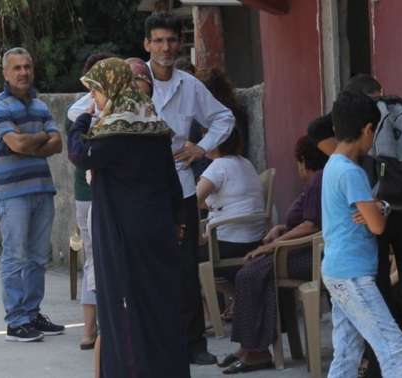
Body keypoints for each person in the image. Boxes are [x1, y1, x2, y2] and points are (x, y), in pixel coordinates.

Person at [67, 57, 189, 378]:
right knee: (161, 306)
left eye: (96, 92)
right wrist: (178, 222)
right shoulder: (155, 127)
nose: (95, 99)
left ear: (113, 89)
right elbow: (171, 181)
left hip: (122, 236)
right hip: (157, 231)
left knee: (125, 310)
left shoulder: (115, 132)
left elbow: (80, 154)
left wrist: (80, 124)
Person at [144, 11, 235, 365]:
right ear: (147, 45)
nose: (166, 47)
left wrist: (201, 147)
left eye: (171, 40)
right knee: (150, 265)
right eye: (159, 41)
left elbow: (224, 118)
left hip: (180, 187)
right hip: (143, 189)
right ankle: (153, 341)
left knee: (185, 266)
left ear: (179, 44)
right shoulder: (133, 78)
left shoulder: (189, 84)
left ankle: (194, 343)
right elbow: (82, 111)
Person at [342, 74, 402, 378]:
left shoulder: (365, 119)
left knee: (379, 295)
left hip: (381, 211)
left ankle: (382, 370)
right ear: (379, 90)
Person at [218, 133, 326, 374]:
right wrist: (281, 229)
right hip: (296, 250)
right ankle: (250, 348)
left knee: (251, 273)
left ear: (303, 161)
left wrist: (270, 247)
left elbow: (312, 225)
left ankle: (256, 351)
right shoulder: (315, 183)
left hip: (308, 254)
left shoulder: (319, 181)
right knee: (251, 272)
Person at [322, 91, 402, 378]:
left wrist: (377, 206)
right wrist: (382, 209)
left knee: (347, 352)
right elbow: (377, 225)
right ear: (369, 129)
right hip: (353, 274)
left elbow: (370, 212)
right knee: (394, 348)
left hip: (337, 271)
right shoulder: (352, 173)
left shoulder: (332, 165)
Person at [0, 47, 65, 342]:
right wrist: (41, 137)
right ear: (5, 73)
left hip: (42, 190)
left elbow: (58, 145)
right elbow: (17, 144)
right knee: (15, 257)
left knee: (36, 258)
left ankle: (32, 314)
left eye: (27, 67)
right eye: (16, 68)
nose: (23, 73)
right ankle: (15, 321)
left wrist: (34, 140)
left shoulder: (40, 105)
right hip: (13, 195)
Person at [66, 52, 117, 352]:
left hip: (104, 191)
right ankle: (90, 329)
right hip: (90, 193)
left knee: (98, 260)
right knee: (95, 260)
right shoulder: (80, 110)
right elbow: (80, 151)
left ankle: (98, 329)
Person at [196, 127, 266, 281]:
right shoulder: (245, 163)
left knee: (179, 255)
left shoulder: (218, 166)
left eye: (206, 138)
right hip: (254, 241)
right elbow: (219, 203)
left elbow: (191, 201)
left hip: (229, 246)